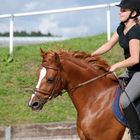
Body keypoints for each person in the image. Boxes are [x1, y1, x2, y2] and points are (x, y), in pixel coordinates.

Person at [91, 0, 140, 139]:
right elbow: (109, 44)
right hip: (130, 71)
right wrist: (90, 56)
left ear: (134, 13)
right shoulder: (122, 27)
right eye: (121, 10)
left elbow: (135, 59)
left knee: (125, 101)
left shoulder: (135, 31)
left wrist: (116, 65)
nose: (120, 12)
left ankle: (136, 134)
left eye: (124, 10)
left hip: (139, 72)